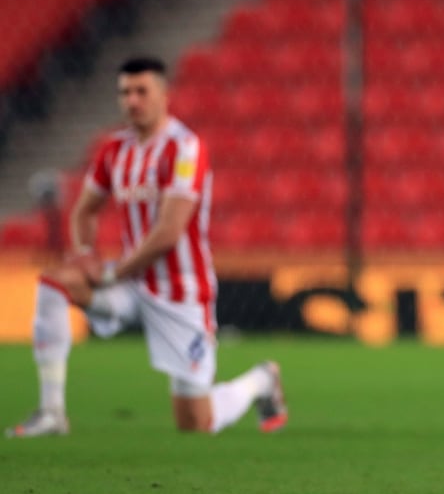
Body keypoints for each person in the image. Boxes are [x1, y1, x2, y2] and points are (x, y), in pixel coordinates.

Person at [6, 56, 287, 437]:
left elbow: (169, 231)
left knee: (195, 424)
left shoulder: (185, 148)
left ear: (164, 95)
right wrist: (86, 255)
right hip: (128, 285)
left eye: (142, 91)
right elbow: (84, 211)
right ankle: (52, 411)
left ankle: (260, 380)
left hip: (179, 289)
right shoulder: (114, 150)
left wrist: (112, 272)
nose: (132, 100)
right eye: (125, 92)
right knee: (55, 283)